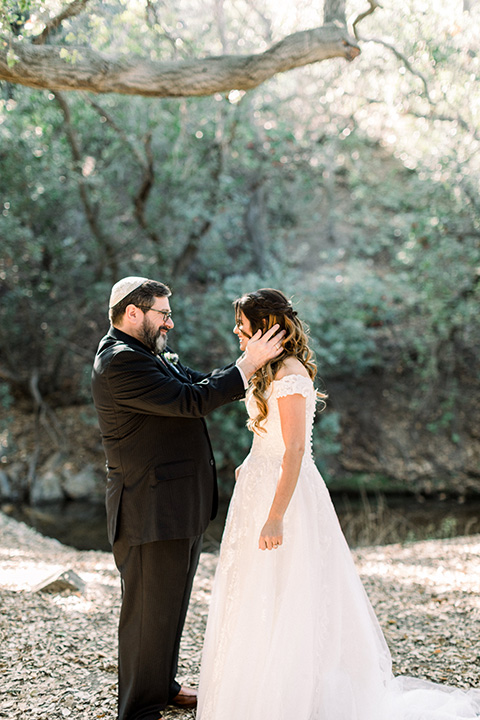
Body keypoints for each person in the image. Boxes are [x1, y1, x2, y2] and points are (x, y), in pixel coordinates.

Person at [197, 288, 480, 720]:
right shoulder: (262, 370)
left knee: (293, 592)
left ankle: (296, 698)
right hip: (257, 486)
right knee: (258, 591)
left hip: (284, 497)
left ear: (265, 327)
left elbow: (294, 452)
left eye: (242, 324)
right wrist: (248, 465)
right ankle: (255, 690)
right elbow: (268, 437)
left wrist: (275, 516)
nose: (237, 330)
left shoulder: (290, 374)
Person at [91, 277, 285, 720]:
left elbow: (202, 384)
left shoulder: (148, 355)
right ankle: (139, 710)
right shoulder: (121, 362)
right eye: (163, 313)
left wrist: (250, 372)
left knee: (169, 606)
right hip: (149, 510)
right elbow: (190, 401)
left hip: (176, 506)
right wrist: (248, 362)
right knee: (146, 615)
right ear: (133, 313)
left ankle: (163, 685)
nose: (170, 323)